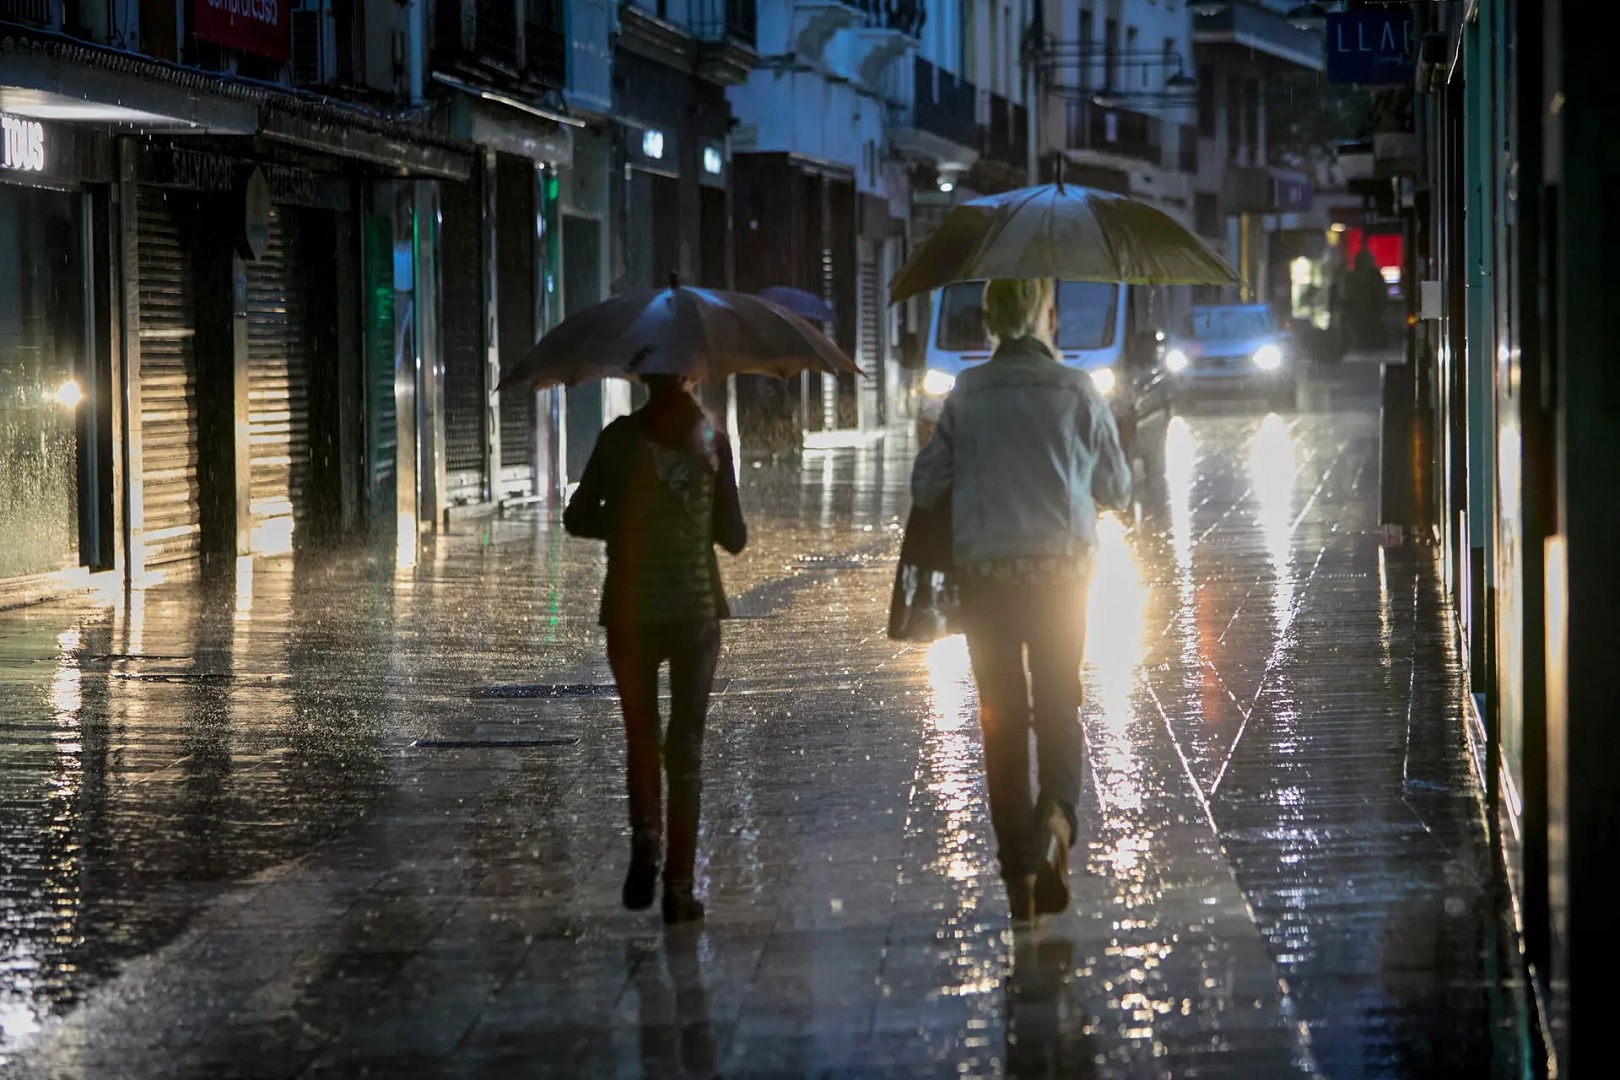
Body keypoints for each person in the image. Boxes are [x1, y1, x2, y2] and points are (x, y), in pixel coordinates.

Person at [910, 278, 1132, 925]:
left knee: (1001, 721)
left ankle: (1018, 885)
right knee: (1058, 706)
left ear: (990, 320)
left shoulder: (967, 394)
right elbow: (1116, 485)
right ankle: (1056, 826)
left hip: (987, 579)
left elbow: (927, 487)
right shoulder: (1076, 390)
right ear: (1047, 316)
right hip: (1063, 576)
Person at [564, 374, 747, 924]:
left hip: (630, 607)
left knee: (640, 733)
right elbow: (734, 536)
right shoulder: (712, 440)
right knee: (684, 748)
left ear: (643, 375)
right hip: (694, 611)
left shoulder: (618, 437)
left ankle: (646, 837)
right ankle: (680, 887)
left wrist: (625, 518)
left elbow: (577, 517)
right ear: (692, 376)